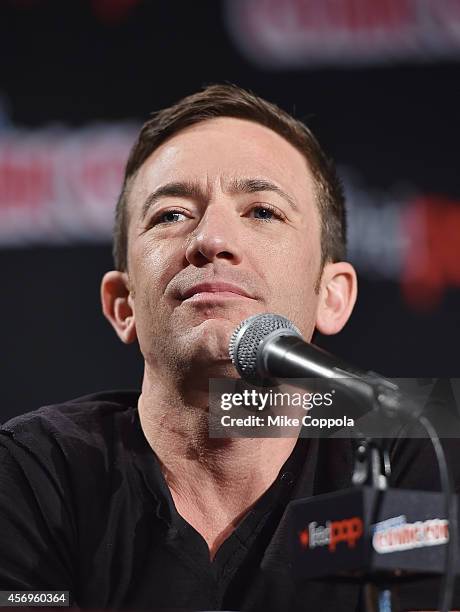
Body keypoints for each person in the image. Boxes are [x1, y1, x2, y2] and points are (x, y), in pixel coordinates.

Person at [0, 84, 459, 611]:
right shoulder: (36, 475)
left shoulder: (418, 453)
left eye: (262, 211)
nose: (211, 238)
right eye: (171, 215)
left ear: (331, 296)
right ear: (123, 304)